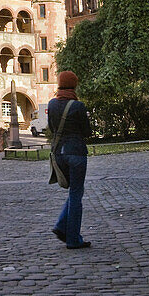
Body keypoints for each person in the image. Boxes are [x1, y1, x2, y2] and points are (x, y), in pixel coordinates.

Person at [49, 70, 93, 249]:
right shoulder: (78, 106)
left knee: (74, 192)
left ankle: (61, 226)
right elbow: (87, 132)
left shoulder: (52, 104)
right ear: (74, 85)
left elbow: (52, 129)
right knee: (76, 193)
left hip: (59, 153)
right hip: (76, 153)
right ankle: (73, 238)